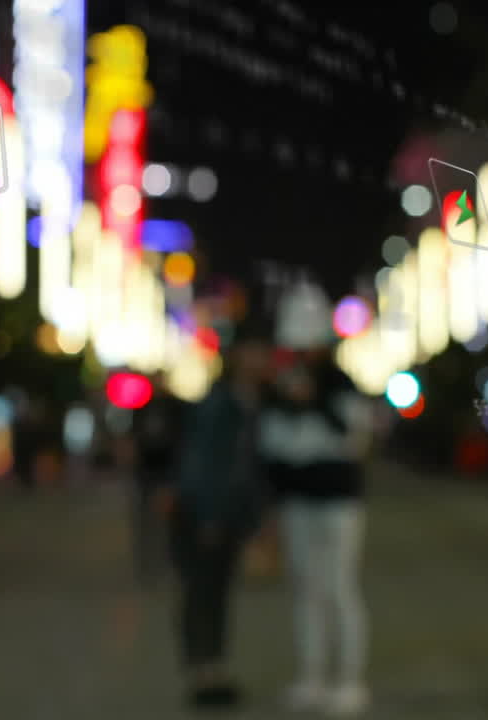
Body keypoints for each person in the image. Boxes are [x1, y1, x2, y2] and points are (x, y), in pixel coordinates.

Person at [262, 282, 373, 716]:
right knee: (307, 589)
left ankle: (349, 680)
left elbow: (355, 438)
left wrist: (318, 405)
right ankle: (312, 675)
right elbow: (274, 444)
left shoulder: (341, 383)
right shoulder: (282, 387)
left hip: (339, 501)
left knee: (339, 588)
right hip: (297, 501)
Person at [170, 321, 270, 709]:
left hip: (227, 515)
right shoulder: (221, 403)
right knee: (203, 594)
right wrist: (208, 515)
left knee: (216, 593)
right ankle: (204, 673)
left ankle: (213, 670)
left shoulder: (249, 401)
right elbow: (204, 464)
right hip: (206, 516)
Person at [126, 372, 187, 586]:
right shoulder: (142, 408)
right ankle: (147, 565)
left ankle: (169, 564)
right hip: (147, 473)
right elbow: (134, 438)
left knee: (170, 521)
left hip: (168, 473)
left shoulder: (175, 407)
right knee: (145, 521)